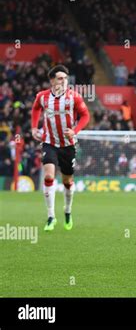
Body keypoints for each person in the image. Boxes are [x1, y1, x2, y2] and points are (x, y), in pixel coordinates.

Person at [31, 65, 90, 231]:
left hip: (68, 145)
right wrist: (34, 128)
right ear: (52, 80)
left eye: (65, 78)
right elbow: (35, 109)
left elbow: (86, 115)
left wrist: (75, 130)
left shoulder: (74, 97)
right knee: (49, 176)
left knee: (67, 181)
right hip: (49, 142)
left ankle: (67, 210)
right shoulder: (42, 97)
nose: (64, 81)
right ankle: (51, 216)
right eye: (60, 78)